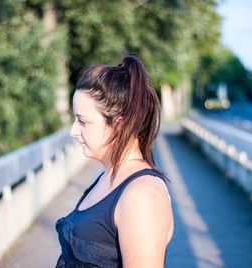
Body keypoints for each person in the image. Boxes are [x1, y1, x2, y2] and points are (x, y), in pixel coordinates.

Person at [55, 54, 174, 267]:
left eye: (83, 121)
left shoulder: (143, 195)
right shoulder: (108, 177)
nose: (73, 131)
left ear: (118, 125)